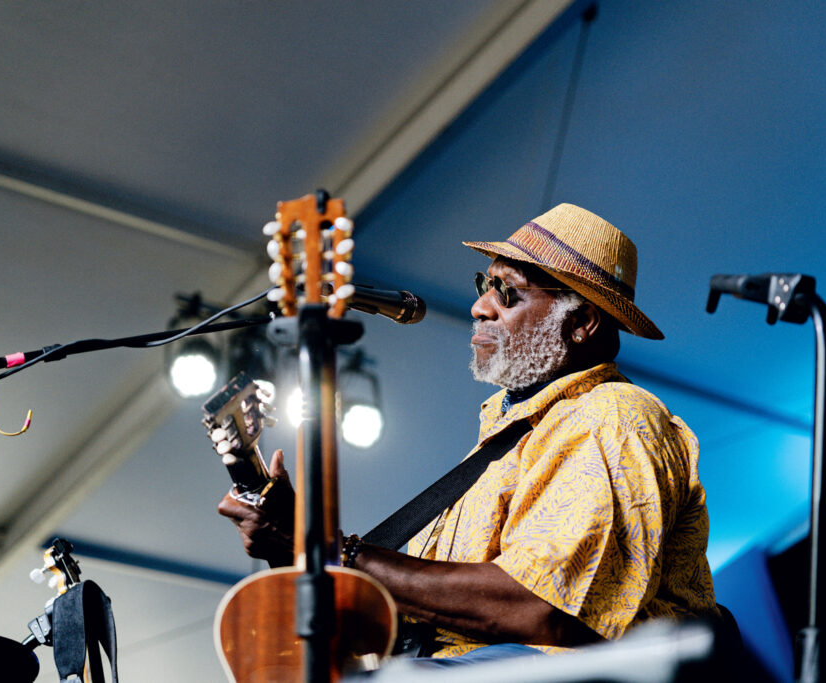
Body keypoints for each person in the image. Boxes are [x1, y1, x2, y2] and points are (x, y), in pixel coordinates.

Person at [218, 203, 719, 666]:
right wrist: (303, 554)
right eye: (486, 283)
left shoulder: (613, 417)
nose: (480, 307)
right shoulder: (510, 434)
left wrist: (336, 552)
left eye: (508, 292)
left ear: (584, 320)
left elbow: (540, 608)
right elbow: (426, 621)